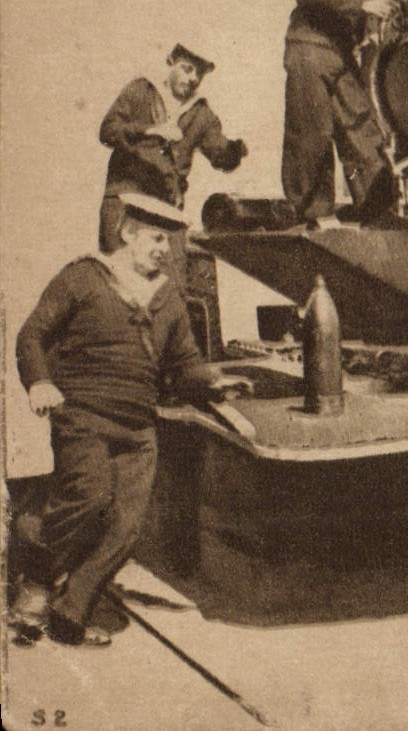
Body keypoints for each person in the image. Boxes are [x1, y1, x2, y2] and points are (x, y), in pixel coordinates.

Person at [10, 193, 251, 647]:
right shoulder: (84, 277)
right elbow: (31, 335)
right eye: (157, 238)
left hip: (138, 430)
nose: (165, 250)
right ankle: (36, 577)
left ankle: (71, 609)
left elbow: (185, 364)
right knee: (89, 496)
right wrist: (39, 382)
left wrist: (216, 383)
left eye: (170, 242)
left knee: (127, 527)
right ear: (127, 233)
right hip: (83, 417)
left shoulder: (168, 298)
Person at [281, 0, 396, 223]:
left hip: (343, 53)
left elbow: (370, 2)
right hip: (310, 46)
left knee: (362, 127)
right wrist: (364, 4)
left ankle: (378, 211)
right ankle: (312, 215)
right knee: (311, 133)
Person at [98, 42, 247, 257]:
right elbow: (108, 131)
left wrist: (235, 151)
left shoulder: (202, 114)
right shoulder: (141, 90)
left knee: (172, 272)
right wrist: (151, 131)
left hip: (165, 209)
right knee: (118, 271)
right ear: (171, 61)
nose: (193, 78)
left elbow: (220, 155)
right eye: (187, 69)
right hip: (125, 202)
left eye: (199, 74)